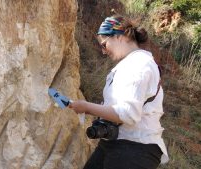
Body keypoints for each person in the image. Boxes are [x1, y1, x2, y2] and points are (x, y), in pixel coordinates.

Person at [69, 15, 169, 169]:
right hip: (116, 143)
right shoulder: (128, 64)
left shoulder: (139, 64)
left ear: (120, 36)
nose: (104, 51)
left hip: (135, 148)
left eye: (104, 44)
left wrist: (86, 107)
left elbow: (128, 113)